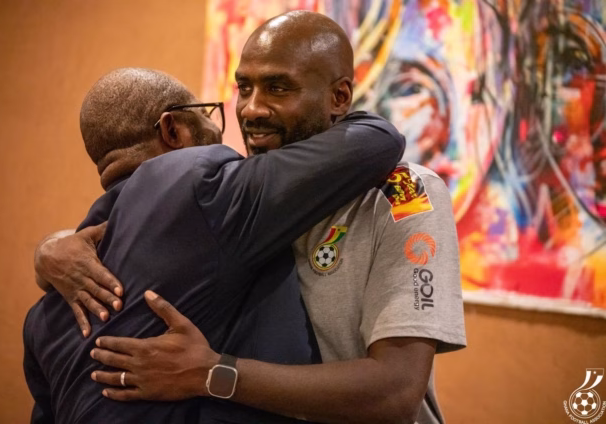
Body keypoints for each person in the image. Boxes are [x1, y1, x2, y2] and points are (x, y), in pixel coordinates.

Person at [36, 11, 466, 424]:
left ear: (339, 98)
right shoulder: (231, 192)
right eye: (244, 88)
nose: (251, 109)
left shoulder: (402, 193)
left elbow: (395, 394)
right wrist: (52, 250)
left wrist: (214, 374)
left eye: (278, 88)